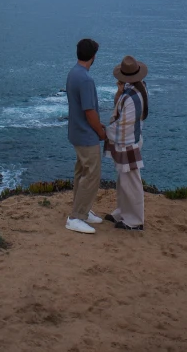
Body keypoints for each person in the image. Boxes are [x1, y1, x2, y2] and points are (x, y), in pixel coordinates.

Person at [65, 38, 106, 235]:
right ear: (93, 56)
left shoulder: (73, 73)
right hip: (86, 135)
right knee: (92, 176)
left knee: (81, 173)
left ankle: (82, 210)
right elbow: (90, 111)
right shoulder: (86, 79)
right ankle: (76, 217)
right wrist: (100, 131)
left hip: (75, 132)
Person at [104, 55, 148, 231]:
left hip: (128, 143)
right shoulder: (138, 89)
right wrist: (119, 93)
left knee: (131, 181)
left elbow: (123, 126)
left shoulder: (131, 97)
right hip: (131, 140)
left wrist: (105, 132)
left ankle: (135, 220)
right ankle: (123, 213)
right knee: (124, 180)